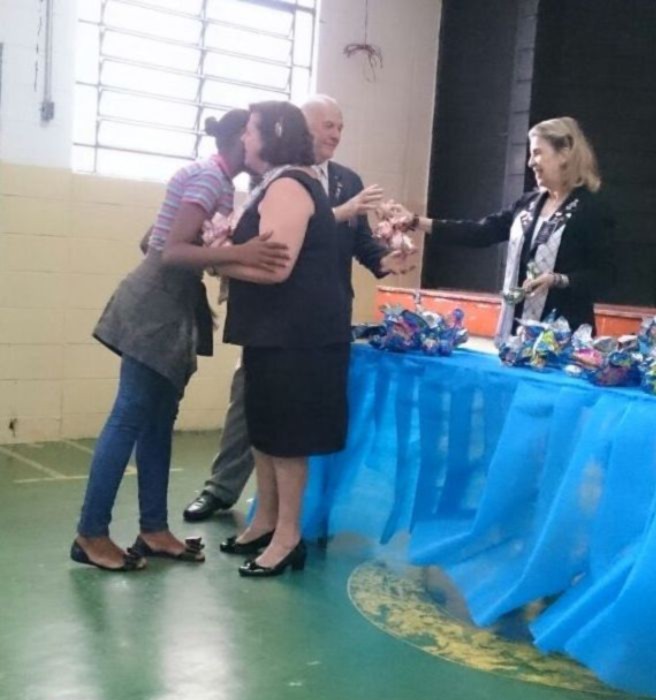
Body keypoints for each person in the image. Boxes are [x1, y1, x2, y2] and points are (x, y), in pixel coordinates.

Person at [70, 111, 290, 572]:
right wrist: (239, 253)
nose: (263, 144)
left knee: (157, 420)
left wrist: (208, 259)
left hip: (168, 310)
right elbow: (170, 250)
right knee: (129, 416)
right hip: (155, 310)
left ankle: (153, 529)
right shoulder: (210, 179)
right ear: (240, 139)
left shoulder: (214, 180)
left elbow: (151, 239)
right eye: (255, 133)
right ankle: (91, 533)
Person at [182, 94, 413, 524]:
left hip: (314, 319)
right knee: (250, 409)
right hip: (268, 319)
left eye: (340, 127)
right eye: (328, 126)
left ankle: (286, 522)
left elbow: (356, 243)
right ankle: (223, 489)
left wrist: (386, 260)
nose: (335, 134)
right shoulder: (271, 178)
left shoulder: (346, 180)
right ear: (301, 128)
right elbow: (291, 235)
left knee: (292, 429)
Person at [218, 100, 356, 577]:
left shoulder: (289, 186)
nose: (244, 138)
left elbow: (275, 268)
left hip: (299, 338)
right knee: (264, 431)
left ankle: (287, 536)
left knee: (287, 438)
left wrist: (215, 260)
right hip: (273, 333)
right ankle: (266, 520)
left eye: (251, 130)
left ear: (272, 136)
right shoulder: (273, 183)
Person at [408, 116, 613, 341]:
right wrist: (415, 222)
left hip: (564, 339)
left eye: (537, 153)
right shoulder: (528, 204)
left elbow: (606, 276)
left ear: (564, 153)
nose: (530, 163)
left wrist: (558, 280)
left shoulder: (592, 208)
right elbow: (480, 232)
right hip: (514, 335)